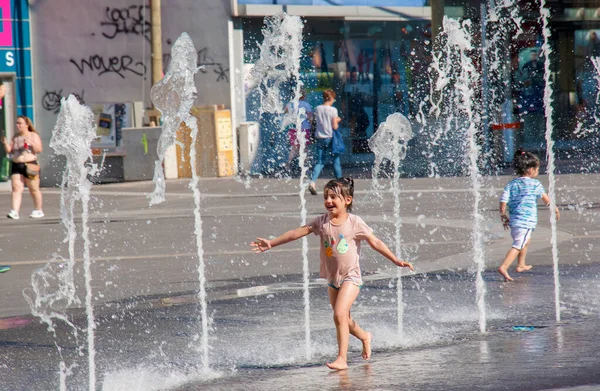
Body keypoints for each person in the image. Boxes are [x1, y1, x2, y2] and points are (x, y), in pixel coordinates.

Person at [251, 178, 414, 370]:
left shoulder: (354, 222)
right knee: (344, 318)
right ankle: (364, 336)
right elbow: (297, 232)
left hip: (351, 277)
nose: (328, 201)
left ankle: (342, 359)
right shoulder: (322, 222)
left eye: (333, 197)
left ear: (347, 200)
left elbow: (375, 241)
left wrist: (395, 259)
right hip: (333, 278)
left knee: (339, 314)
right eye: (326, 197)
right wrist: (272, 243)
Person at [497, 149, 560, 281]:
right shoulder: (535, 184)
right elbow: (546, 200)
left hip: (515, 220)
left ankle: (521, 264)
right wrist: (555, 209)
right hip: (526, 221)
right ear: (530, 170)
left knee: (526, 241)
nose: (538, 171)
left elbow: (503, 201)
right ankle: (504, 266)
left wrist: (503, 216)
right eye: (537, 168)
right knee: (519, 244)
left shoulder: (512, 184)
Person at [1, 116, 44, 219]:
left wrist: (31, 143)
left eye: (20, 123)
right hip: (17, 164)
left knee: (33, 188)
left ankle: (38, 209)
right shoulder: (15, 137)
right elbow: (9, 150)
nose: (18, 125)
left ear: (26, 125)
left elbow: (39, 149)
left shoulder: (33, 135)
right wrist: (5, 143)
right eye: (17, 123)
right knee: (16, 188)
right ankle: (14, 211)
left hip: (30, 164)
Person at [308, 89, 342, 196]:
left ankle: (312, 182)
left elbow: (311, 120)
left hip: (319, 137)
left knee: (320, 162)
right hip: (331, 138)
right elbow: (334, 126)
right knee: (336, 160)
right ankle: (340, 184)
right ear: (331, 98)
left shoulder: (317, 109)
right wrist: (338, 120)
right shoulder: (333, 110)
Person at [284, 89, 313, 168]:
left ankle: (288, 162)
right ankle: (305, 164)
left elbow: (284, 112)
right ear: (303, 96)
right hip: (304, 128)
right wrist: (311, 126)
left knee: (294, 146)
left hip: (293, 128)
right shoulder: (306, 104)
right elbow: (310, 117)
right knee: (304, 146)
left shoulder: (290, 104)